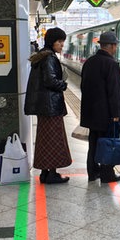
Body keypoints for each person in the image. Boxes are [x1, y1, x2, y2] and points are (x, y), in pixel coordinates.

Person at [80, 31, 120, 183]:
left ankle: (93, 172)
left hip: (92, 113)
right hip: (108, 115)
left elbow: (84, 87)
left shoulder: (89, 62)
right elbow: (115, 92)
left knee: (94, 143)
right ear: (112, 46)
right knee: (109, 144)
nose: (115, 49)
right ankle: (107, 174)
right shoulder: (111, 64)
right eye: (115, 46)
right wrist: (117, 114)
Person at [24, 27, 72, 184]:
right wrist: (63, 84)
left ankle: (45, 172)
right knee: (53, 139)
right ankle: (51, 174)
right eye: (60, 42)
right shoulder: (49, 58)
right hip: (50, 106)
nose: (62, 45)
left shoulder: (41, 56)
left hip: (44, 106)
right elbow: (50, 81)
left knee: (45, 139)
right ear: (53, 42)